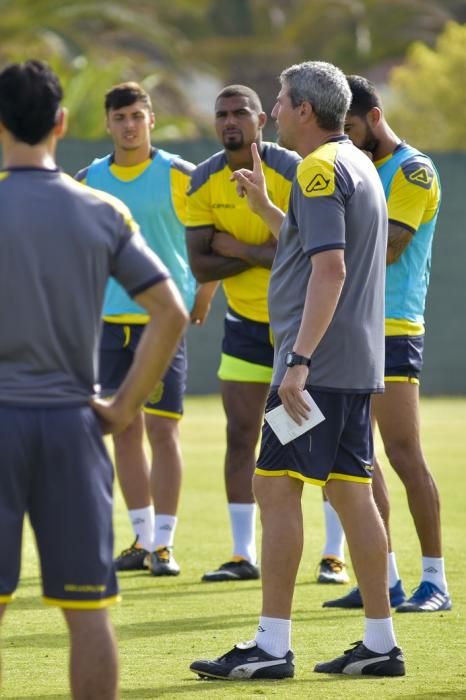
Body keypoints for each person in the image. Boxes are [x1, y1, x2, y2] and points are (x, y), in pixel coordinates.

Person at [191, 60, 406, 680]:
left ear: (304, 111)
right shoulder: (354, 163)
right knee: (351, 492)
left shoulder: (314, 171)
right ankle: (380, 643)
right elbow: (314, 247)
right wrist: (263, 205)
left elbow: (330, 270)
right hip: (353, 365)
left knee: (273, 485)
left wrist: (299, 361)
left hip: (317, 367)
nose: (274, 112)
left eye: (280, 102)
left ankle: (271, 645)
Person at [0, 60, 187, 699]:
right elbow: (170, 309)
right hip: (73, 427)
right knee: (88, 611)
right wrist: (122, 407)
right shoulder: (101, 211)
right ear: (62, 122)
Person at [321, 75, 451, 613]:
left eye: (350, 128)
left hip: (393, 328)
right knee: (355, 461)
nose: (345, 140)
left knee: (403, 455)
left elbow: (393, 246)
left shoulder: (414, 170)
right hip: (352, 329)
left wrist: (321, 246)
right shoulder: (361, 167)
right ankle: (387, 580)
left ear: (375, 117)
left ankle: (436, 582)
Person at [76, 82, 216, 577]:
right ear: (108, 123)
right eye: (120, 118)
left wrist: (202, 294)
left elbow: (213, 233)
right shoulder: (88, 178)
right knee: (122, 428)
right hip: (111, 323)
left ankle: (164, 545)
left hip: (164, 321)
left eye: (137, 115)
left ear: (151, 119)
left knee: (163, 430)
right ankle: (140, 537)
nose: (129, 125)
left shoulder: (180, 174)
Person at [185, 85, 300, 582]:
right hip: (243, 328)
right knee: (240, 436)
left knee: (308, 441)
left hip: (298, 329)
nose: (230, 121)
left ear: (261, 120)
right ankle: (241, 553)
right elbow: (200, 264)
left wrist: (235, 247)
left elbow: (301, 251)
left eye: (240, 113)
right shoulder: (203, 180)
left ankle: (334, 555)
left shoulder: (293, 170)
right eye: (222, 114)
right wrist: (259, 251)